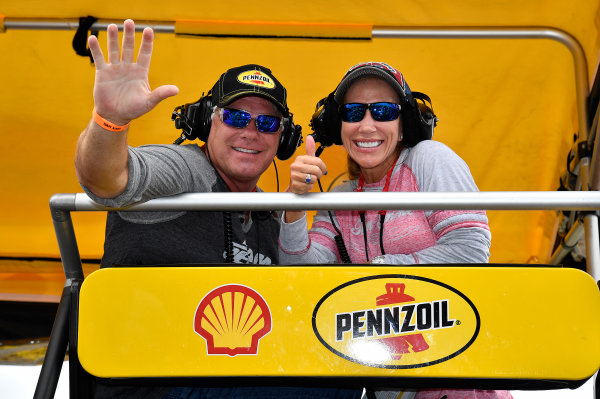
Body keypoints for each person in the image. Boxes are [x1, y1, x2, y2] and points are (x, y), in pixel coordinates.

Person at [75, 19, 361, 399]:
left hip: (233, 376)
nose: (251, 132)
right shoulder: (186, 168)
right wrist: (110, 121)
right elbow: (105, 178)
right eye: (237, 117)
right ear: (206, 121)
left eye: (267, 123)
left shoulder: (270, 211)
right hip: (155, 385)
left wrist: (295, 209)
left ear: (284, 139)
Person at [279, 62, 512, 399]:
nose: (367, 125)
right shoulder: (339, 196)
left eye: (384, 111)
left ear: (405, 126)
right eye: (354, 112)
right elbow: (299, 271)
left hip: (453, 375)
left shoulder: (429, 158)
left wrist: (376, 276)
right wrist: (294, 205)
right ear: (337, 125)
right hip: (380, 384)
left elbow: (470, 248)